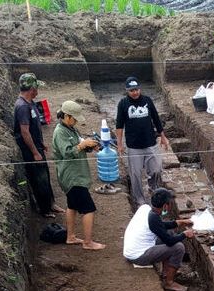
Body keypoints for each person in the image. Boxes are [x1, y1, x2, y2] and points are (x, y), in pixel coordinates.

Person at [53, 100, 105, 251]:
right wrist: (82, 145)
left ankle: (71, 237)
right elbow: (67, 153)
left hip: (76, 174)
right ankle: (88, 242)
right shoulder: (60, 132)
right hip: (72, 177)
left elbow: (79, 145)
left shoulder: (71, 129)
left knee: (72, 205)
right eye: (74, 118)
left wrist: (89, 146)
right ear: (67, 116)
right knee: (88, 209)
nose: (76, 121)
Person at [122, 189, 196, 291]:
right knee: (178, 248)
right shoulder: (152, 218)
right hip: (138, 255)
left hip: (132, 248)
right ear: (165, 206)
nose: (170, 206)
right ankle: (169, 283)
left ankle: (166, 272)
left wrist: (178, 222)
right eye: (169, 203)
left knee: (169, 233)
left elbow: (159, 226)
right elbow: (169, 241)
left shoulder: (146, 208)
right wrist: (184, 234)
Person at [13, 72, 63, 217]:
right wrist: (35, 152)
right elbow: (25, 132)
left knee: (45, 175)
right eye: (36, 88)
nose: (38, 91)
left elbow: (34, 127)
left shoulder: (31, 103)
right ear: (31, 89)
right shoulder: (22, 107)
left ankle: (51, 204)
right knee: (38, 179)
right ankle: (44, 210)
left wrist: (40, 144)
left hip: (37, 146)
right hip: (30, 150)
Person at [115, 76, 169, 207]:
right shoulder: (123, 104)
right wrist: (120, 144)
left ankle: (153, 188)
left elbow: (156, 119)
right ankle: (140, 200)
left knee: (156, 169)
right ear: (127, 91)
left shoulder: (147, 101)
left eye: (137, 89)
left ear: (140, 88)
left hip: (150, 143)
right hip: (134, 146)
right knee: (135, 174)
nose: (135, 92)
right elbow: (119, 125)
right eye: (132, 90)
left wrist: (163, 137)